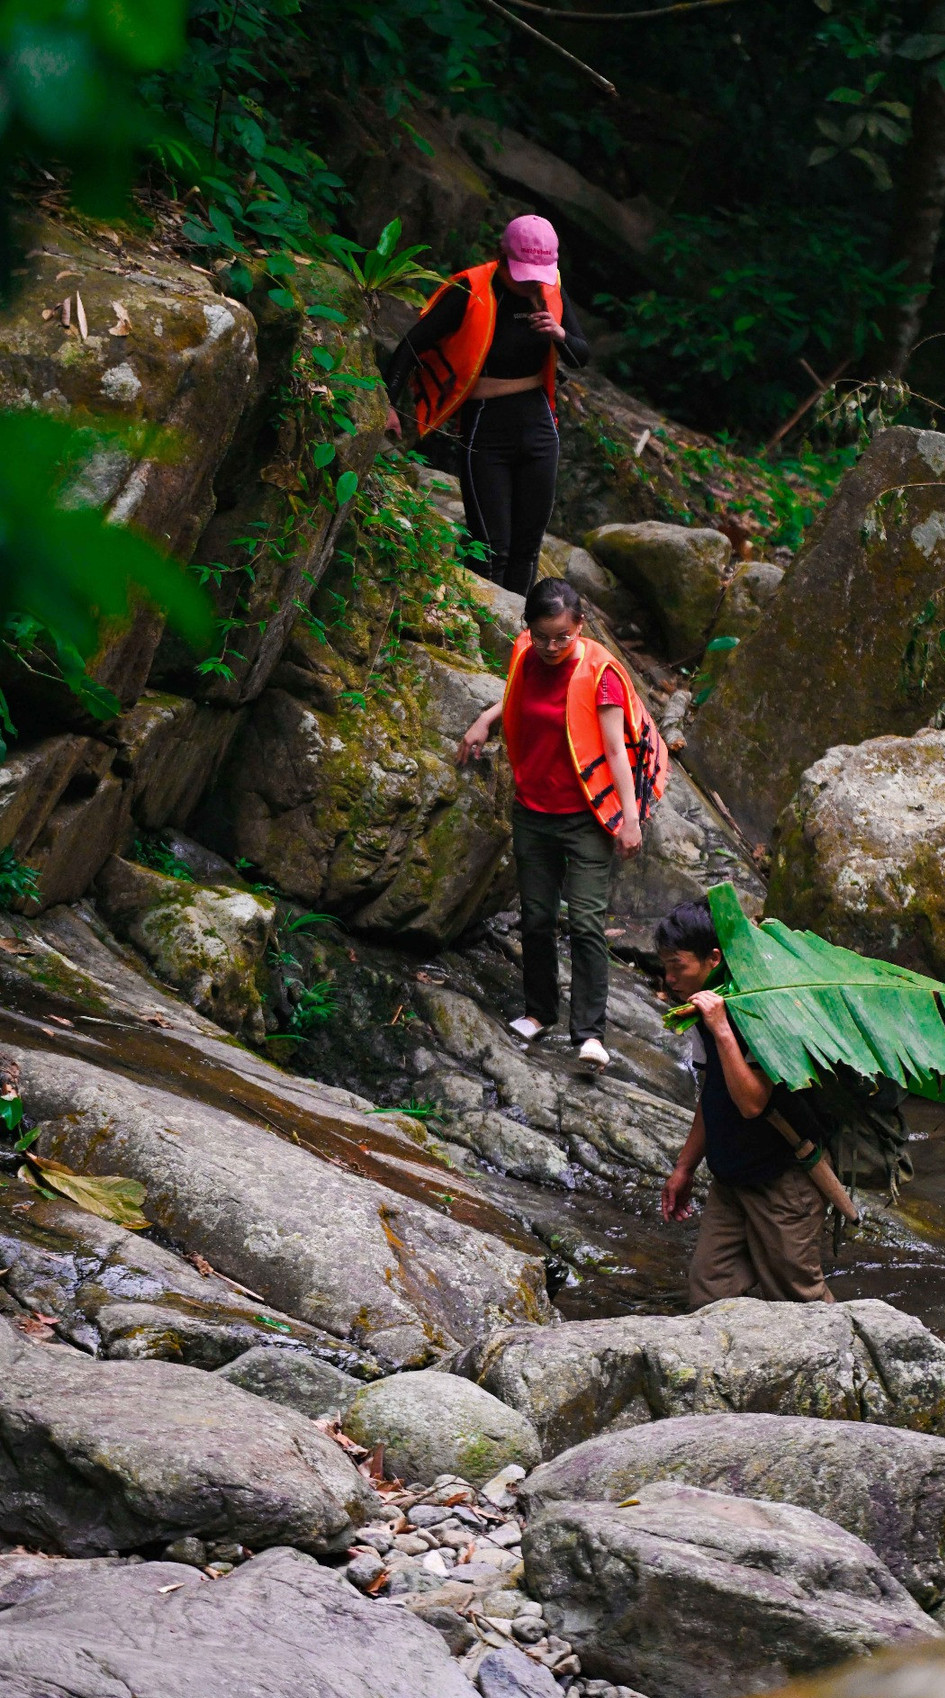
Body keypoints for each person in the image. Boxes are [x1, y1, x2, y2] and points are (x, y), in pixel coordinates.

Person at [457, 578, 668, 1073]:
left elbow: (614, 749)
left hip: (586, 818)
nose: (552, 647)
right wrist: (486, 719)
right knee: (536, 916)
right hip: (533, 810)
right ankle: (538, 1012)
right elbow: (515, 695)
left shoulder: (601, 675)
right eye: (542, 636)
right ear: (528, 628)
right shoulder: (525, 652)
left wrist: (630, 820)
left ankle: (590, 1035)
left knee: (588, 922)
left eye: (562, 637)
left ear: (581, 626)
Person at [656, 897, 859, 1306]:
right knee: (710, 1292)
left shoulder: (761, 1009)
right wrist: (684, 1168)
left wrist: (723, 1030)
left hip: (783, 1180)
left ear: (714, 958)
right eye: (665, 966)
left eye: (678, 966)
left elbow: (752, 1103)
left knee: (798, 1296)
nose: (669, 978)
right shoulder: (703, 1008)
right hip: (732, 1178)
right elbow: (713, 1093)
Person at [385, 214, 589, 599]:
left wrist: (559, 334)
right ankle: (482, 622)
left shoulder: (551, 290)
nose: (530, 283)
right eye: (523, 273)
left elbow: (581, 355)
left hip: (538, 428)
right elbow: (412, 345)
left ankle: (515, 626)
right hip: (485, 428)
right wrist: (387, 403)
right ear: (502, 255)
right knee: (493, 546)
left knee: (527, 548)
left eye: (537, 275)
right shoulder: (471, 289)